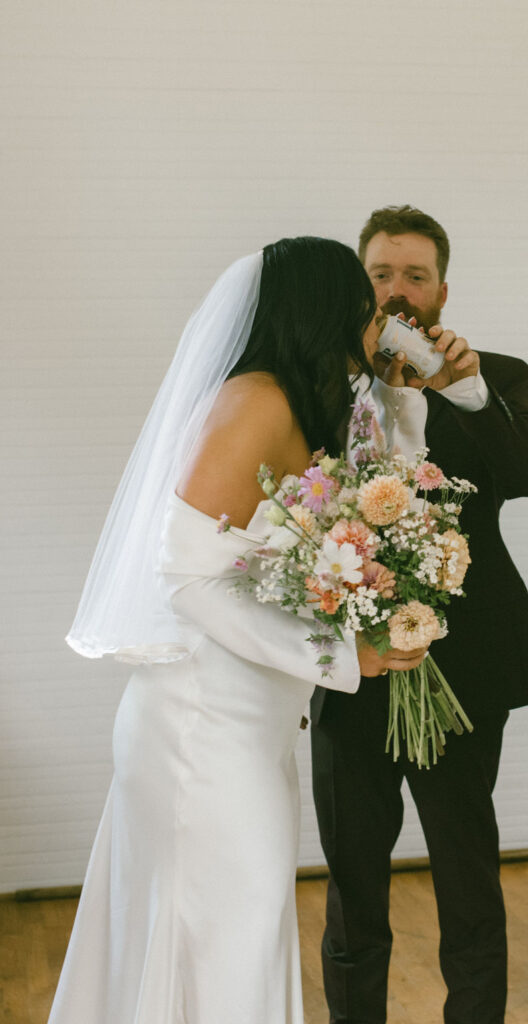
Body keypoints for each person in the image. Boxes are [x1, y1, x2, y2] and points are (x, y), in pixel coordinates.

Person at [48, 237, 432, 1024]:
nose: (377, 319)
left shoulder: (306, 400)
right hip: (200, 729)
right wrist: (340, 652)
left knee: (231, 928)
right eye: (364, 304)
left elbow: (383, 494)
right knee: (233, 930)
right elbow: (186, 576)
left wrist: (402, 394)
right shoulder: (255, 401)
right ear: (327, 310)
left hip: (249, 725)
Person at [310, 205, 528, 1024]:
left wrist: (471, 392)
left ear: (442, 290)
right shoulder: (318, 381)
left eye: (415, 275)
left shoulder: (496, 376)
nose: (397, 292)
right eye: (381, 275)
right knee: (353, 881)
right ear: (361, 287)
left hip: (467, 667)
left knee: (467, 873)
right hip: (355, 667)